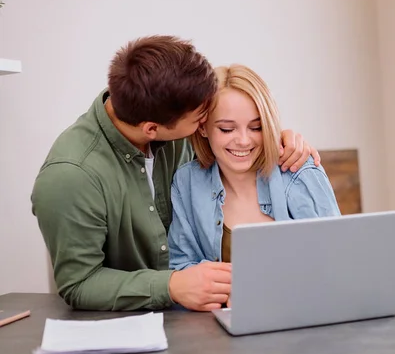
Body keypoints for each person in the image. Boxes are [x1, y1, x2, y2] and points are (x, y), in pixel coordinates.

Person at [30, 36, 321, 312]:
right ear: (152, 129)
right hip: (132, 327)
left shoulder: (171, 111)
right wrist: (170, 285)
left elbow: (235, 134)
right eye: (201, 120)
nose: (206, 121)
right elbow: (79, 283)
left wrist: (276, 135)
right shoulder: (70, 177)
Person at [167, 64, 341, 310]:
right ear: (203, 127)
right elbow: (182, 266)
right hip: (222, 332)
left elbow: (336, 263)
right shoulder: (187, 182)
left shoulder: (299, 171)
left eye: (256, 127)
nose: (244, 140)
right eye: (227, 129)